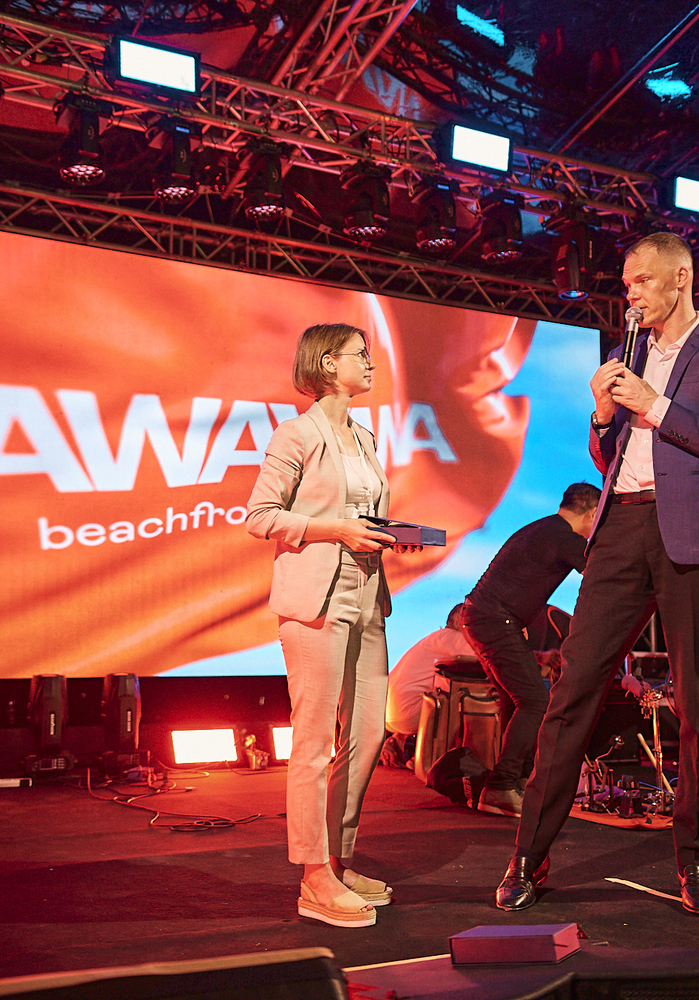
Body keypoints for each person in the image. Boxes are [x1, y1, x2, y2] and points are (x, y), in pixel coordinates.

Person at [494, 232, 699, 917]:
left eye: (642, 281)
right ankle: (527, 856)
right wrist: (603, 415)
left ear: (681, 279)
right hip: (620, 528)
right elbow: (610, 456)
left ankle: (694, 862)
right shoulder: (629, 353)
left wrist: (655, 404)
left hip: (696, 536)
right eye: (626, 285)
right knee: (571, 688)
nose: (632, 295)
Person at [245, 322, 420, 930]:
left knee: (367, 735)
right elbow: (260, 516)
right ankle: (313, 875)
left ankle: (339, 861)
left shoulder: (364, 436)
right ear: (326, 363)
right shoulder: (296, 433)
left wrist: (389, 534)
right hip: (317, 596)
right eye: (359, 355)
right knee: (314, 741)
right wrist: (337, 530)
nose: (370, 363)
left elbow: (363, 514)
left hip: (368, 593)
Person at [461, 483, 600, 817]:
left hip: (482, 617)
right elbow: (601, 571)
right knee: (534, 702)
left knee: (516, 701)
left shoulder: (543, 528)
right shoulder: (563, 536)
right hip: (495, 620)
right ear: (593, 513)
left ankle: (514, 783)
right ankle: (501, 786)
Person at [384, 604, 477, 738]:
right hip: (408, 712)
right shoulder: (449, 637)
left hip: (390, 716)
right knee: (468, 702)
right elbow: (483, 654)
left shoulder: (436, 639)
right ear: (458, 621)